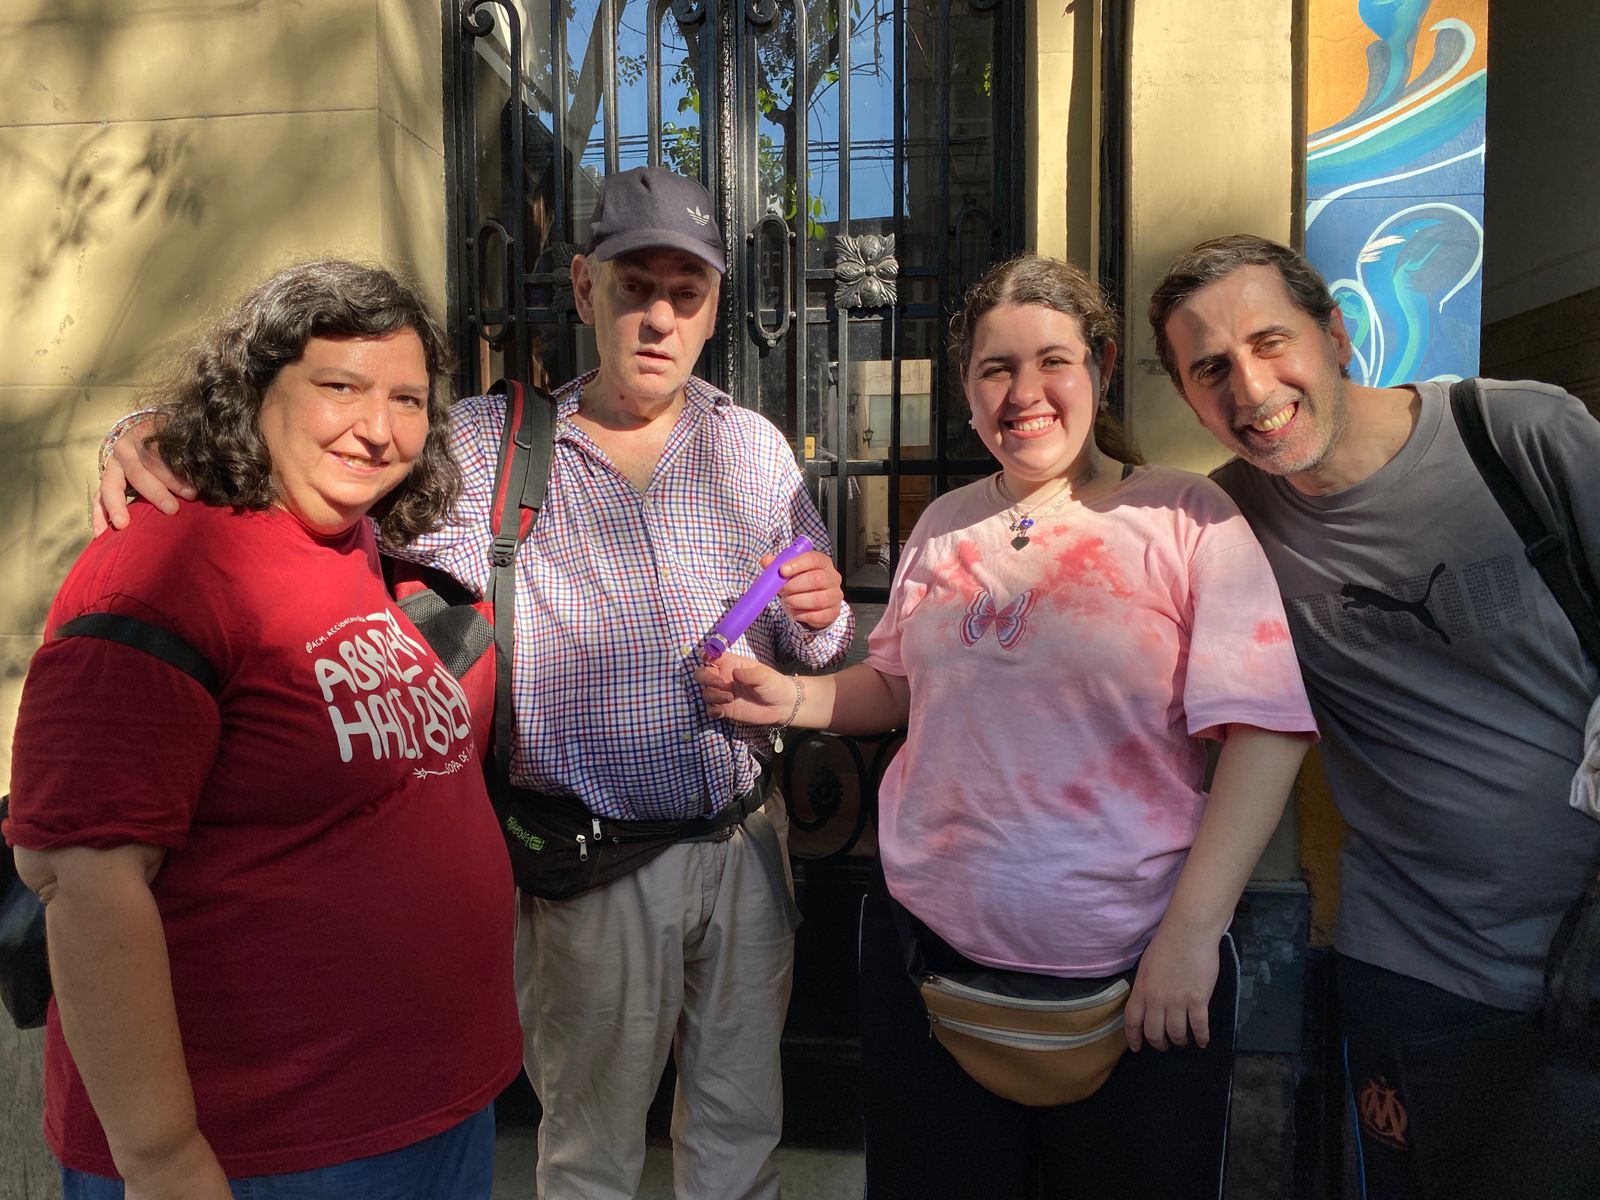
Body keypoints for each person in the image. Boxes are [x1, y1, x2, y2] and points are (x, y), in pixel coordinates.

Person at [95, 167, 852, 1200]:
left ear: (716, 308)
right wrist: (154, 431)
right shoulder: (485, 445)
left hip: (744, 843)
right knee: (591, 1156)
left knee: (740, 1136)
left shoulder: (753, 453)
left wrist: (822, 618)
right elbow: (318, 472)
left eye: (687, 291)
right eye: (637, 285)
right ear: (585, 288)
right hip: (594, 870)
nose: (660, 316)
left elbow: (816, 647)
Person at [695, 253, 1316, 1199]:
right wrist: (792, 699)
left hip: (1139, 984)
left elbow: (1266, 734)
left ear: (1100, 366)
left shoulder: (1186, 517)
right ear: (968, 392)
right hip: (927, 972)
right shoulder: (943, 524)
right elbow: (900, 688)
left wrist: (1193, 935)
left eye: (1052, 361)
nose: (1025, 393)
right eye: (996, 369)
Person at [5, 260, 523, 1200]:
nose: (378, 429)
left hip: (433, 1115)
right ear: (255, 390)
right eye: (339, 387)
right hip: (266, 1152)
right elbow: (82, 879)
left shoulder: (359, 537)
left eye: (408, 399)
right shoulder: (164, 562)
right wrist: (163, 1159)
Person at [1148, 233, 1600, 1199]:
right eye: (1211, 369)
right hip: (1417, 970)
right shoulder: (1226, 528)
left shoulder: (1517, 434)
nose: (1252, 387)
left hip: (1588, 946)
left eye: (1273, 342)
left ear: (1338, 334)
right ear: (1188, 397)